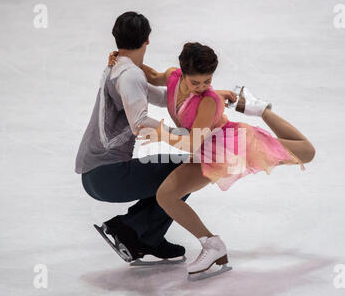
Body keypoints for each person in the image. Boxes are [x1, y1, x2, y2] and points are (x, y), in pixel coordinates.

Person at [111, 42, 316, 278]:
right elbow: (153, 75)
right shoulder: (172, 77)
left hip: (232, 146)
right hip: (204, 150)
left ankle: (261, 110)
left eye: (207, 81)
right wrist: (123, 60)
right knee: (166, 196)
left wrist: (161, 133)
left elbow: (191, 143)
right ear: (182, 73)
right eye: (195, 82)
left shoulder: (208, 101)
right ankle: (212, 245)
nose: (201, 87)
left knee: (306, 153)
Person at [75, 12, 236, 266]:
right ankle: (131, 231)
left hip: (96, 172)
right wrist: (186, 138)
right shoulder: (131, 75)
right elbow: (140, 124)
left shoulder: (118, 68)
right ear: (147, 40)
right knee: (187, 169)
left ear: (116, 39)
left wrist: (212, 94)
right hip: (106, 174)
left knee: (178, 170)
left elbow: (166, 97)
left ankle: (144, 235)